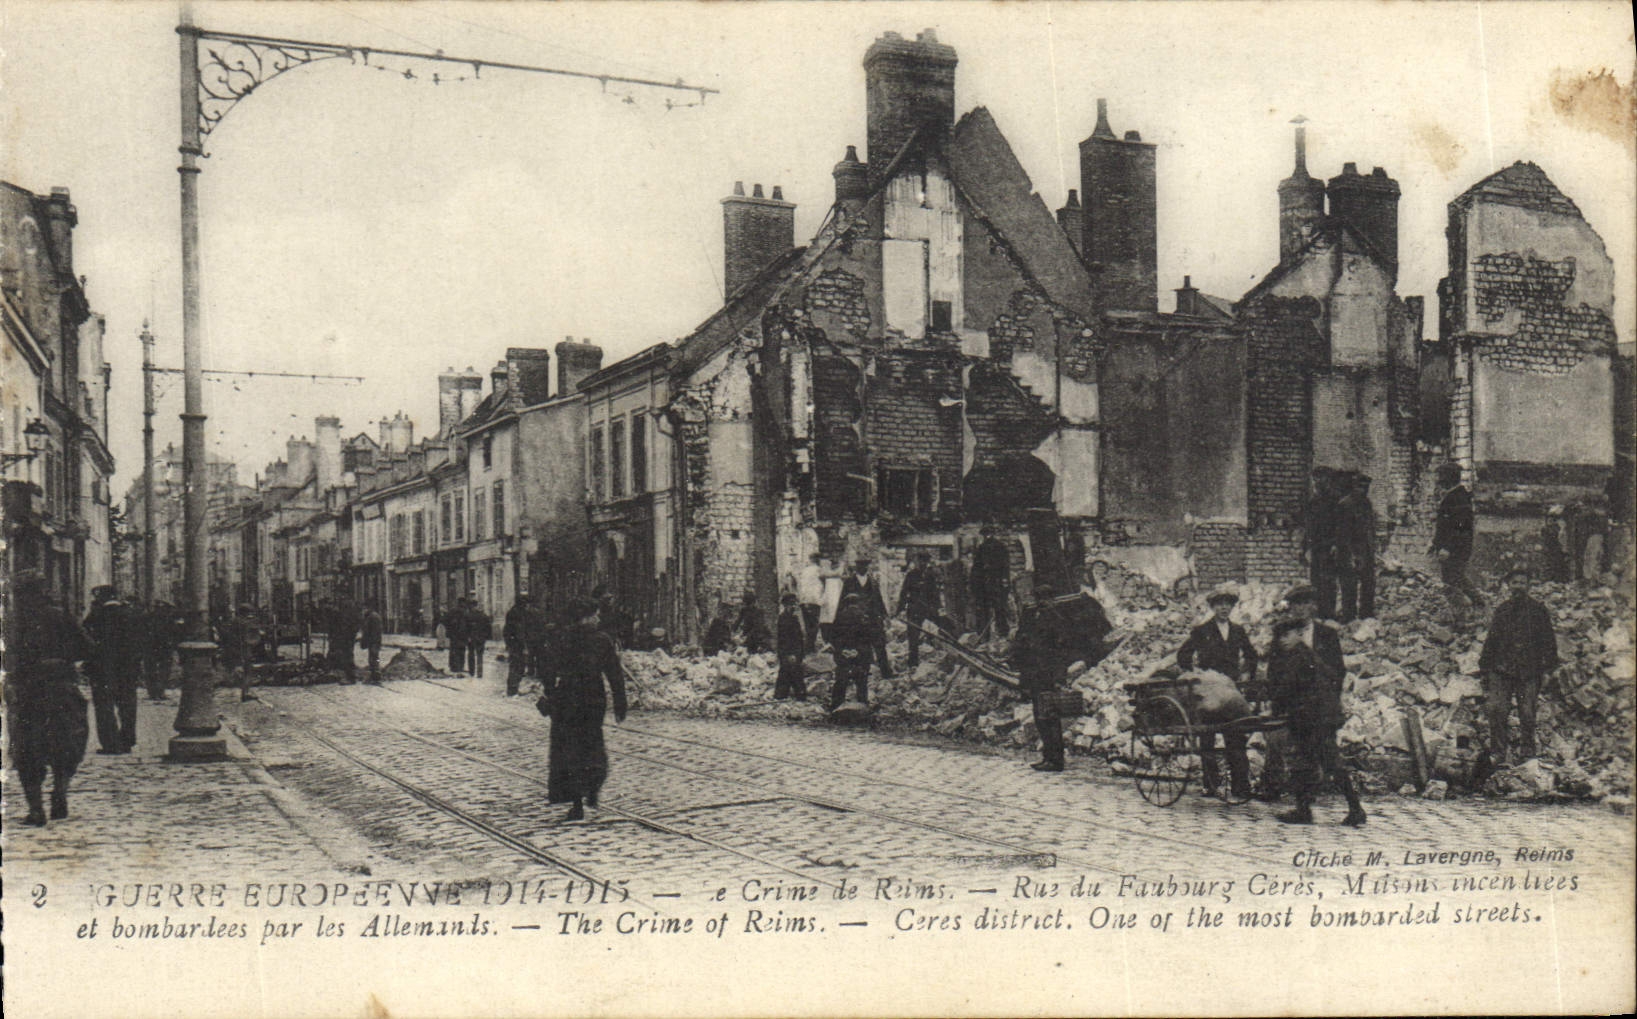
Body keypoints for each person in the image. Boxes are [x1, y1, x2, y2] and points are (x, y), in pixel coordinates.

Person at [8, 573, 91, 826]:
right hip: (61, 689)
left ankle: (36, 810)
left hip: (29, 694)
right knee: (68, 743)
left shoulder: (13, 620)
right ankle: (60, 792)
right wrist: (63, 660)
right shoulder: (61, 615)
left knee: (26, 750)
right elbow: (87, 647)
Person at [1268, 612, 1365, 827]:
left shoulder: (1298, 657)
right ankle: (1306, 809)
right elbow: (1330, 677)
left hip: (1313, 719)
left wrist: (1275, 708)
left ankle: (1353, 809)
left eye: (1287, 635)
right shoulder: (1307, 655)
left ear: (1299, 634)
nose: (1282, 640)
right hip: (1318, 717)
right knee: (1310, 761)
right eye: (1279, 637)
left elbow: (1286, 688)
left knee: (1325, 761)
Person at [1010, 581, 1114, 772]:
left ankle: (1055, 760)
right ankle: (1048, 757)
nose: (1042, 603)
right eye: (1039, 599)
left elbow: (1063, 652)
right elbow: (1021, 645)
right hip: (1035, 675)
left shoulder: (1058, 620)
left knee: (1049, 718)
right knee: (1040, 717)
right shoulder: (1031, 617)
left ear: (1051, 599)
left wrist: (1059, 678)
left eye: (1045, 599)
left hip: (1048, 675)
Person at [542, 596, 627, 821]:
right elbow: (614, 674)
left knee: (569, 751)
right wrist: (620, 702)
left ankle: (578, 800)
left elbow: (548, 669)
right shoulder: (601, 640)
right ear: (584, 618)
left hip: (567, 700)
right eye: (594, 615)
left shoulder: (562, 638)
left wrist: (550, 692)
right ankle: (591, 789)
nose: (598, 618)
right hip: (591, 699)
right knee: (591, 746)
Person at [1176, 583, 1257, 799]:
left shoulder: (1238, 631)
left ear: (1232, 608)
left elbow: (1251, 654)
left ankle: (1241, 785)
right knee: (1207, 737)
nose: (1224, 608)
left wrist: (1248, 674)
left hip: (1230, 691)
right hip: (1210, 690)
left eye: (1228, 604)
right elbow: (1183, 654)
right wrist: (1195, 674)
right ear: (1213, 607)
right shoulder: (1202, 631)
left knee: (1236, 737)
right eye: (1219, 604)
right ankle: (1210, 783)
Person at [1478, 568, 1559, 764]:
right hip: (1501, 669)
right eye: (1515, 583)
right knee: (1497, 711)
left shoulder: (1538, 611)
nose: (1518, 587)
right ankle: (1498, 753)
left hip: (1529, 671)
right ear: (1509, 585)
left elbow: (1548, 641)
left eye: (1522, 583)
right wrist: (1485, 668)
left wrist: (1548, 669)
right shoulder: (1502, 610)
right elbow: (1492, 640)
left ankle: (1527, 753)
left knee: (1528, 713)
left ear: (1528, 586)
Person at [82, 585, 142, 754]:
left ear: (101, 598)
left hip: (103, 668)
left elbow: (85, 637)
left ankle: (111, 744)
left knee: (104, 706)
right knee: (128, 704)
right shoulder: (131, 614)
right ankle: (128, 740)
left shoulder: (97, 615)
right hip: (128, 668)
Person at [1431, 464, 1482, 614]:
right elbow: (1445, 526)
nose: (1438, 480)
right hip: (1454, 548)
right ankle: (1478, 605)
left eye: (1441, 477)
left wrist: (1447, 547)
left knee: (1451, 582)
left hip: (1455, 549)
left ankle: (1461, 616)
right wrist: (1435, 543)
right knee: (1457, 578)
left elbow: (1460, 528)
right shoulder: (1454, 495)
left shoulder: (1457, 497)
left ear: (1448, 478)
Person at [897, 551, 956, 670]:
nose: (923, 563)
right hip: (914, 610)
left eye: (925, 561)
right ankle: (913, 663)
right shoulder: (911, 575)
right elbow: (904, 593)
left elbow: (935, 594)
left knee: (948, 626)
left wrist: (939, 608)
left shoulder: (930, 576)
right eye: (921, 561)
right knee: (913, 637)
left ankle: (953, 655)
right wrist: (900, 609)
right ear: (917, 562)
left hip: (929, 609)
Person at [840, 558, 892, 678]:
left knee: (880, 645)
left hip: (873, 619)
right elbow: (842, 602)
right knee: (861, 647)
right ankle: (862, 672)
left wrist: (885, 616)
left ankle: (886, 672)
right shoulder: (849, 582)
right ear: (856, 567)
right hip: (856, 620)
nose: (863, 568)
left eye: (865, 566)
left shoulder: (873, 582)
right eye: (860, 566)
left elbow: (879, 600)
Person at [1335, 473, 1377, 622]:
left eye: (1366, 487)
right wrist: (1351, 555)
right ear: (1353, 486)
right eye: (1360, 487)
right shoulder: (1345, 504)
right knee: (1349, 585)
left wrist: (1372, 549)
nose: (1363, 490)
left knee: (1368, 583)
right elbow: (1342, 534)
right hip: (1349, 552)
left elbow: (1370, 528)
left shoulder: (1367, 503)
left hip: (1366, 551)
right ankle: (1349, 616)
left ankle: (1367, 614)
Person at [1303, 468, 1342, 620]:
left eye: (1321, 479)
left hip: (1329, 547)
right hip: (1315, 547)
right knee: (1315, 580)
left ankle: (1328, 613)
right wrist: (1306, 548)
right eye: (1315, 480)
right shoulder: (1312, 502)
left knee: (1328, 580)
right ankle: (1318, 613)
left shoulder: (1335, 501)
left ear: (1328, 481)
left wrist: (1336, 544)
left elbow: (1340, 526)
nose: (1317, 483)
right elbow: (1309, 527)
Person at [827, 592, 875, 711]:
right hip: (860, 655)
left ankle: (835, 706)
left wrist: (842, 650)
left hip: (844, 654)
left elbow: (833, 637)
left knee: (841, 680)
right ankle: (863, 707)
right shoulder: (864, 617)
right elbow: (869, 638)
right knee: (861, 681)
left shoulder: (839, 617)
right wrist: (858, 651)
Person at [971, 526, 1013, 638]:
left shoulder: (1000, 547)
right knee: (983, 611)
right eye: (985, 534)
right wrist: (975, 584)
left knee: (1000, 610)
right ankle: (984, 636)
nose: (987, 536)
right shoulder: (981, 548)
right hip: (984, 585)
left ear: (993, 534)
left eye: (989, 533)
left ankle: (1003, 634)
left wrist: (1005, 582)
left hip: (997, 583)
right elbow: (976, 568)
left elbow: (1005, 566)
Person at [774, 593, 807, 701]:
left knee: (789, 673)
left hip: (794, 653)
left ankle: (785, 695)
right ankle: (789, 696)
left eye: (794, 604)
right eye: (791, 604)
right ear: (785, 605)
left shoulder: (793, 618)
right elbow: (784, 639)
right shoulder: (784, 619)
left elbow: (798, 637)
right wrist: (789, 654)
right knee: (790, 673)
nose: (794, 606)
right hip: (789, 653)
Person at [795, 553, 825, 653]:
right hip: (815, 600)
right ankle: (810, 648)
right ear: (817, 560)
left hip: (804, 600)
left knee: (808, 625)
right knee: (814, 625)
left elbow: (799, 585)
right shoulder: (819, 570)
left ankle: (808, 648)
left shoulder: (804, 571)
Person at [504, 596, 531, 696]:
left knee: (515, 665)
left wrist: (507, 643)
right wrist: (524, 646)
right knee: (518, 666)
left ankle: (512, 688)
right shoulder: (519, 614)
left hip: (513, 643)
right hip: (518, 644)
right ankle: (512, 689)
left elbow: (506, 630)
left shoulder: (512, 612)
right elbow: (520, 632)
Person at [329, 597, 360, 683]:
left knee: (347, 655)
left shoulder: (345, 607)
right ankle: (350, 675)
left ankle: (350, 677)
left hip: (346, 636)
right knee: (348, 655)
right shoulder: (352, 606)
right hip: (348, 635)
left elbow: (343, 623)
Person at [466, 599, 491, 679]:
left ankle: (471, 672)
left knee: (471, 655)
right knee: (479, 655)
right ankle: (479, 673)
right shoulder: (483, 615)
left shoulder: (468, 615)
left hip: (471, 638)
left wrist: (467, 637)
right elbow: (488, 627)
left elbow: (465, 628)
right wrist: (486, 637)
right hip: (480, 638)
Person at [360, 604, 384, 684]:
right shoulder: (374, 616)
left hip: (373, 641)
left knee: (373, 658)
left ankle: (376, 677)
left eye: (364, 609)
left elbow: (368, 630)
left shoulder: (372, 617)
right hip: (375, 640)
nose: (363, 611)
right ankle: (375, 676)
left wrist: (365, 640)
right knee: (374, 657)